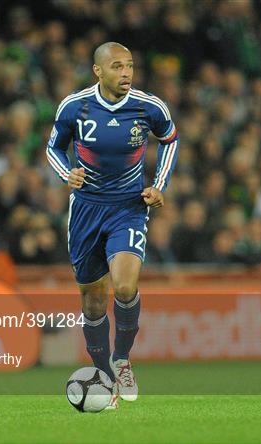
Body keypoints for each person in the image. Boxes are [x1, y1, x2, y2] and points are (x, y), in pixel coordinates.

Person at [46, 42, 179, 408]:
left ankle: (121, 359)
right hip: (87, 208)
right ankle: (103, 374)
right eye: (118, 66)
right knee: (92, 301)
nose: (126, 74)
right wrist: (66, 173)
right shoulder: (75, 106)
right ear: (98, 71)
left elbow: (169, 139)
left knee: (123, 285)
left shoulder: (149, 106)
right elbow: (53, 147)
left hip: (128, 207)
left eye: (130, 66)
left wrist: (159, 184)